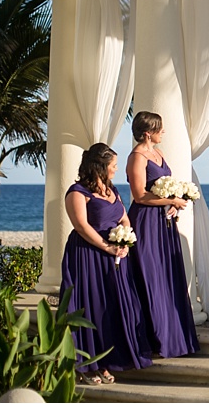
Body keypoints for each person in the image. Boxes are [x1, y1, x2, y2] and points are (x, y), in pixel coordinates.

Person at [60, 143, 153, 385]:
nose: (116, 169)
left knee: (110, 308)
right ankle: (87, 365)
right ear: (99, 166)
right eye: (113, 165)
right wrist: (107, 246)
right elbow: (81, 226)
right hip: (86, 257)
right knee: (91, 307)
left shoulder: (112, 190)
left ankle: (106, 361)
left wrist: (124, 240)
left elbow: (124, 218)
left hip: (114, 257)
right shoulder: (77, 192)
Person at [126, 111, 200, 358]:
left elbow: (163, 185)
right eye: (160, 129)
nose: (163, 132)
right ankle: (153, 337)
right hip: (145, 221)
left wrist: (173, 204)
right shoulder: (137, 157)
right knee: (150, 275)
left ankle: (175, 335)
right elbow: (139, 195)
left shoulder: (158, 153)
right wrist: (170, 199)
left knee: (168, 274)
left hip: (164, 222)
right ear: (148, 133)